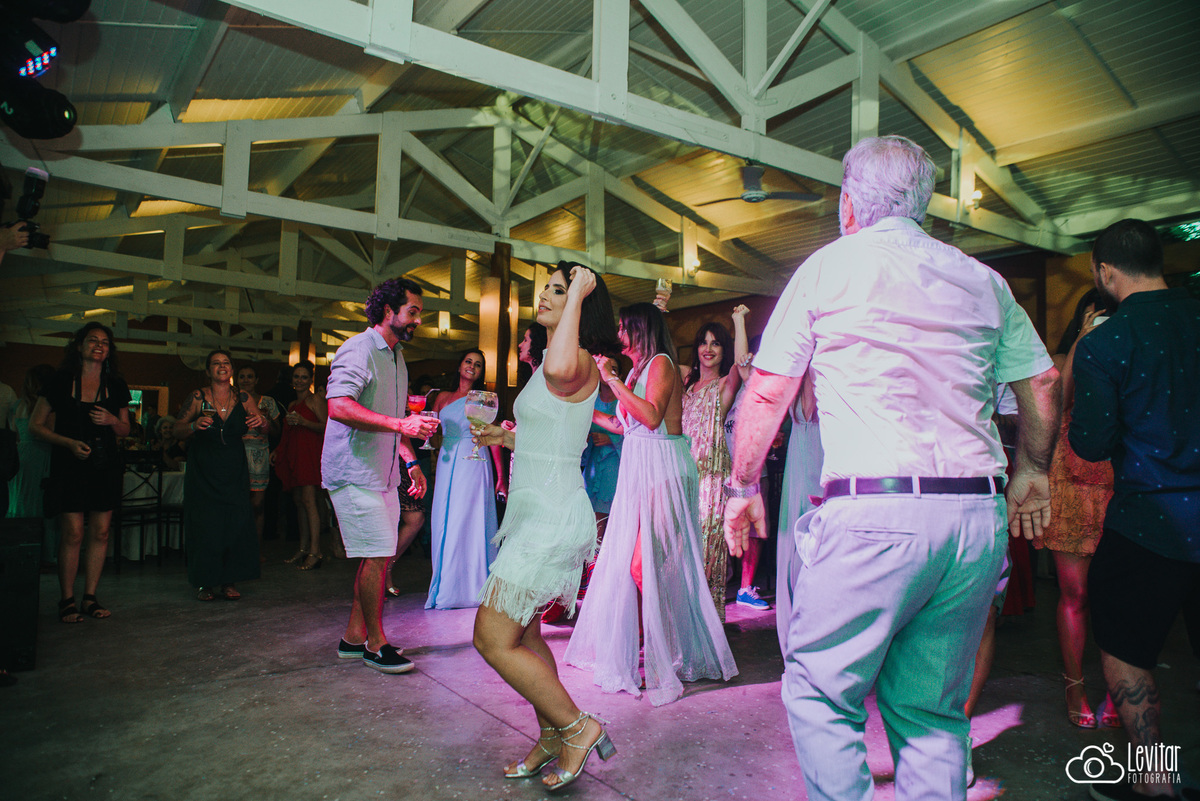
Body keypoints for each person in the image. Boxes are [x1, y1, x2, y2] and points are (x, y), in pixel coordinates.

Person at [724, 135, 1060, 801]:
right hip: (973, 520)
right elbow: (1043, 382)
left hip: (876, 514)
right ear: (923, 203)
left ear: (850, 204)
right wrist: (1033, 469)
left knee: (821, 691)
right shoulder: (983, 279)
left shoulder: (829, 267)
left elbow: (766, 391)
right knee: (932, 710)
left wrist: (742, 485)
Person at [470, 262, 621, 791]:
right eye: (548, 288)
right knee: (526, 633)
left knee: (491, 638)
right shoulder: (554, 361)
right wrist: (505, 438)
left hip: (551, 517)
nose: (546, 296)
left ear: (580, 301)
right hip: (534, 512)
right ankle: (552, 735)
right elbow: (557, 436)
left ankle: (578, 727)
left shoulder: (573, 358)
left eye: (559, 289)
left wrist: (579, 287)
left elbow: (559, 370)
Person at [1070, 219, 1200, 801]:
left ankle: (1155, 780)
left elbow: (1091, 444)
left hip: (1148, 525)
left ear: (1104, 271)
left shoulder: (1106, 342)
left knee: (1127, 653)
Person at [565, 302, 738, 707]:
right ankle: (660, 646)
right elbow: (623, 425)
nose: (619, 334)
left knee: (646, 566)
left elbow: (652, 416)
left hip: (664, 469)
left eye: (624, 327)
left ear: (640, 329)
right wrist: (584, 410)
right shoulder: (635, 371)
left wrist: (611, 380)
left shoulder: (661, 363)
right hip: (641, 469)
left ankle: (667, 652)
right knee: (642, 565)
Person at [323, 277, 438, 675]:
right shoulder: (359, 349)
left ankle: (354, 637)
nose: (418, 320)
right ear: (388, 311)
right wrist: (401, 425)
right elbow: (338, 406)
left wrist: (410, 461)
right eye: (413, 312)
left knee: (380, 556)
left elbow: (393, 419)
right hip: (353, 472)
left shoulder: (396, 356)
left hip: (383, 473)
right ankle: (376, 644)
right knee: (376, 557)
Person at [1035, 288, 1118, 729]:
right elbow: (1058, 401)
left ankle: (1121, 688)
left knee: (1117, 594)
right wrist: (1083, 341)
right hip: (1069, 479)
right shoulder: (1060, 357)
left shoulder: (1126, 353)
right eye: (1093, 316)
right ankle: (1075, 686)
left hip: (1117, 479)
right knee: (1076, 593)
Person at [31, 323, 133, 623]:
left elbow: (125, 430)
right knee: (73, 533)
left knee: (101, 532)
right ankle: (66, 599)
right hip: (69, 464)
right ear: (79, 346)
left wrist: (112, 420)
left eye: (104, 342)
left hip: (104, 465)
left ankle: (90, 597)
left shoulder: (116, 385)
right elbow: (35, 426)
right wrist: (68, 443)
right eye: (92, 340)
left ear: (109, 351)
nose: (99, 345)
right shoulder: (60, 381)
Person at [174, 350, 266, 601]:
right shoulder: (198, 397)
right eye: (216, 363)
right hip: (204, 468)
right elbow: (177, 429)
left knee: (234, 523)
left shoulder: (243, 397)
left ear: (232, 370)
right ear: (208, 371)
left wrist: (261, 422)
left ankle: (229, 581)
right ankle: (205, 582)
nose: (221, 366)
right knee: (206, 524)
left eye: (226, 363)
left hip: (234, 467)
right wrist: (192, 426)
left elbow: (265, 426)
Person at [680, 307, 752, 619]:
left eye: (716, 343)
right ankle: (682, 619)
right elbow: (657, 358)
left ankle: (704, 622)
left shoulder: (724, 384)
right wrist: (658, 308)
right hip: (682, 477)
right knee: (680, 551)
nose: (708, 349)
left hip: (710, 481)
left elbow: (743, 363)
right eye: (703, 342)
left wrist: (738, 321)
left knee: (706, 549)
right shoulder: (685, 383)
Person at [425, 348, 504, 609]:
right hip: (448, 461)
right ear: (459, 366)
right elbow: (432, 433)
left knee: (468, 518)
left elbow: (493, 437)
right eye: (469, 361)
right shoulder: (442, 398)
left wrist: (501, 476)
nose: (472, 366)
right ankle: (448, 585)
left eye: (478, 364)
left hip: (474, 460)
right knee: (445, 519)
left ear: (481, 372)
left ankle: (472, 587)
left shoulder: (482, 399)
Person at [275, 361, 327, 570]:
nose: (300, 380)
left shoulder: (315, 400)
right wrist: (278, 450)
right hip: (296, 454)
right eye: (296, 376)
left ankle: (316, 551)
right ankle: (304, 548)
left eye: (304, 377)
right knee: (299, 501)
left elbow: (327, 427)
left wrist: (305, 422)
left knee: (309, 500)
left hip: (310, 454)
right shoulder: (291, 405)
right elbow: (287, 433)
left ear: (310, 380)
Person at [236, 365, 282, 551]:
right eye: (242, 376)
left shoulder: (267, 402)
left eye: (250, 376)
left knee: (258, 504)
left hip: (259, 455)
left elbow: (277, 432)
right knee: (238, 504)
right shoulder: (230, 401)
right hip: (236, 454)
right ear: (237, 380)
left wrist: (267, 420)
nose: (246, 380)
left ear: (256, 380)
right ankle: (238, 549)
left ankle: (256, 549)